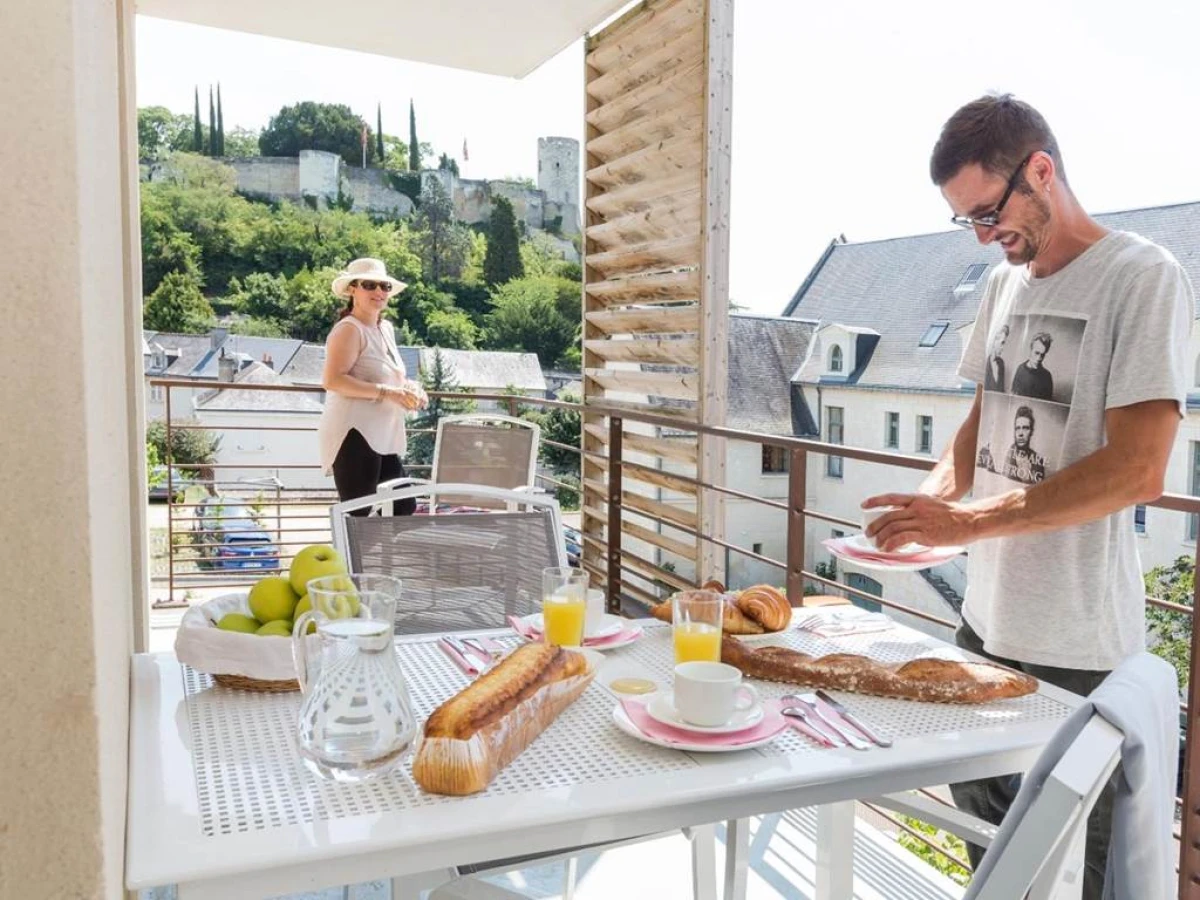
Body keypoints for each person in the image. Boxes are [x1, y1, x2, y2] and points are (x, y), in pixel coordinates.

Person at [863, 94, 1193, 898]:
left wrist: (966, 519)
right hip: (986, 623)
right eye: (964, 222)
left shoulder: (1141, 276)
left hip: (1079, 647)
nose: (982, 238)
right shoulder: (1004, 287)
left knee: (1075, 871)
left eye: (988, 212)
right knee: (997, 857)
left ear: (1040, 170)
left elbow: (1138, 470)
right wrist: (929, 507)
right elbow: (982, 424)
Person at [318, 258, 428, 517]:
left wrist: (412, 389)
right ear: (352, 290)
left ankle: (379, 556)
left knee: (403, 504)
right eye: (370, 285)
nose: (379, 292)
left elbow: (390, 374)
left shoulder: (384, 328)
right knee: (360, 515)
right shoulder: (348, 329)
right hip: (354, 434)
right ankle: (354, 557)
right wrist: (388, 393)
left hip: (383, 435)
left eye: (384, 286)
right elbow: (333, 380)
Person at [1003, 405, 1045, 484]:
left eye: (1025, 428)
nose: (1020, 433)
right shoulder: (1009, 451)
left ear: (1031, 431)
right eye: (1017, 428)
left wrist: (1026, 479)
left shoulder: (1039, 460)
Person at [1011, 331, 1055, 399]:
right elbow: (1013, 395)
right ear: (1031, 350)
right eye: (1036, 353)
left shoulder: (1047, 376)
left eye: (1042, 355)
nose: (1039, 358)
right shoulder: (1020, 369)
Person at [983, 323, 1008, 392]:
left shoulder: (1001, 363)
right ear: (994, 341)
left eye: (1004, 343)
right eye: (1002, 343)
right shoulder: (984, 361)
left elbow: (1001, 390)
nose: (1003, 348)